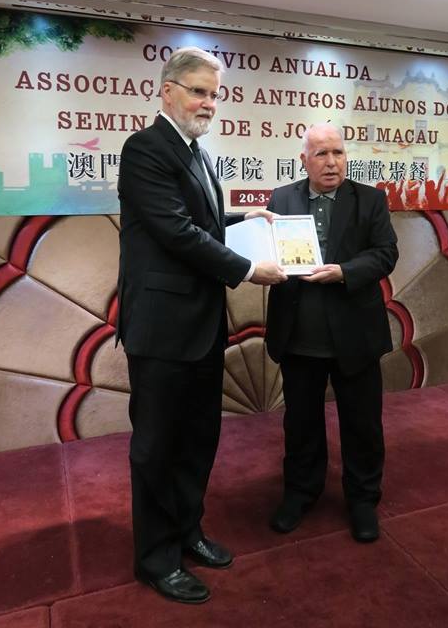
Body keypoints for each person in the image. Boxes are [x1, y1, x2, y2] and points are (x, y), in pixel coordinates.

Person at [116, 47, 286, 605]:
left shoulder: (198, 153)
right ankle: (156, 559)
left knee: (197, 440)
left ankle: (187, 532)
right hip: (162, 329)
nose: (209, 103)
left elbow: (202, 223)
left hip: (201, 325)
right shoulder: (145, 148)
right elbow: (175, 231)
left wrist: (243, 217)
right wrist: (248, 269)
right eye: (198, 91)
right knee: (158, 447)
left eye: (214, 94)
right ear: (167, 91)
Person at [265, 124, 398, 543]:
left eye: (338, 153)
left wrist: (345, 271)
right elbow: (267, 251)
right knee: (301, 423)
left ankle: (362, 499)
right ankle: (301, 492)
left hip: (354, 333)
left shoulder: (370, 199)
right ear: (303, 160)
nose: (331, 162)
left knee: (362, 423)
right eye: (321, 154)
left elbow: (386, 254)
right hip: (298, 334)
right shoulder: (281, 198)